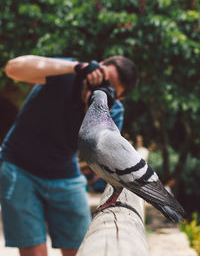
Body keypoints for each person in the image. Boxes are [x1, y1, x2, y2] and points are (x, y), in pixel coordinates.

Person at [0, 55, 138, 256]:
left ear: (119, 97)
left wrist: (92, 109)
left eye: (109, 89)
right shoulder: (65, 72)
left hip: (65, 174)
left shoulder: (113, 109)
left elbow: (100, 155)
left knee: (82, 249)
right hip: (19, 168)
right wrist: (77, 67)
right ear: (98, 66)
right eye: (103, 78)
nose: (100, 87)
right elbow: (13, 68)